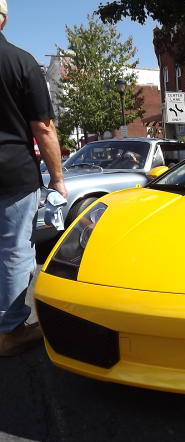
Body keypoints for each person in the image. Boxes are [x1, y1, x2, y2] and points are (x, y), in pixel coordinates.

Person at [0, 0, 67, 356]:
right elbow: (42, 127)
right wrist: (57, 178)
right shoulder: (21, 62)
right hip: (12, 171)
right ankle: (9, 332)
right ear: (5, 19)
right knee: (13, 251)